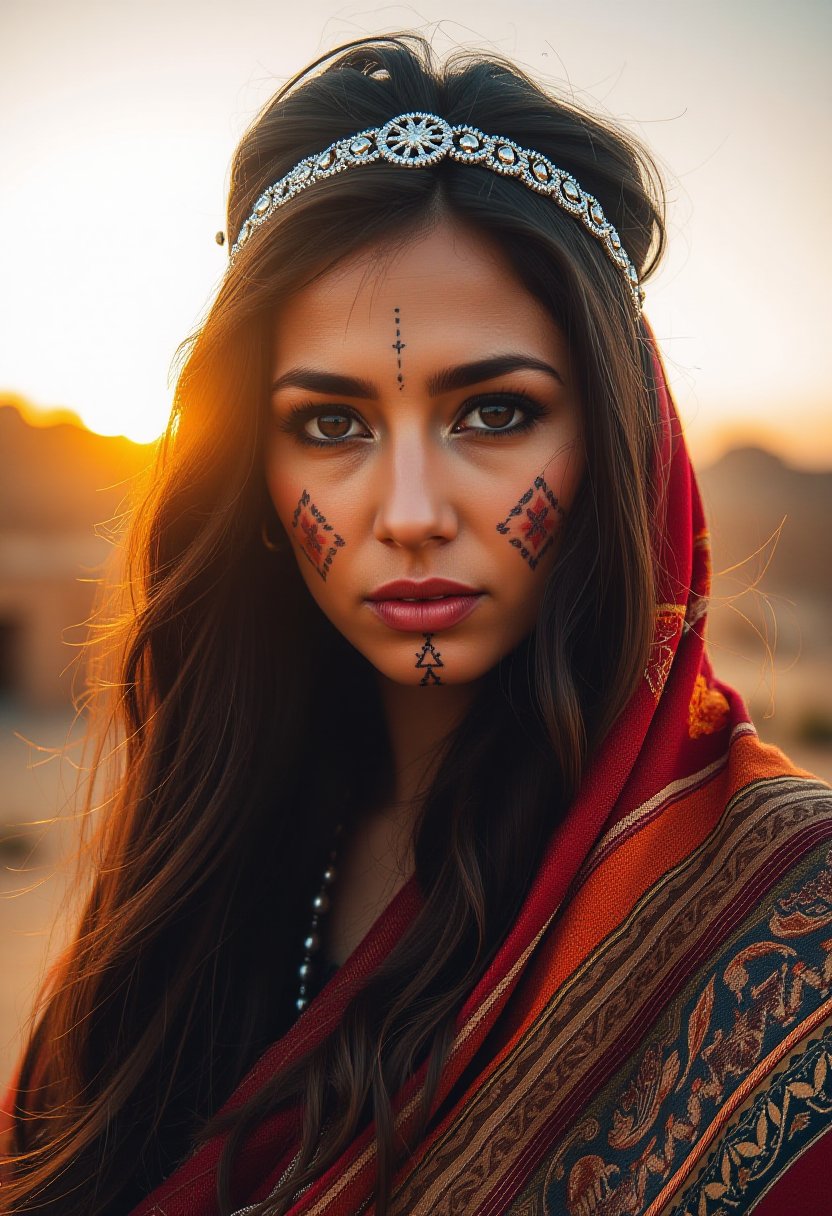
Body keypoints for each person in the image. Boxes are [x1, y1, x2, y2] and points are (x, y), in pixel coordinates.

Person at [2, 32, 831, 1216]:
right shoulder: (197, 869)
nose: (407, 514)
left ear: (617, 440)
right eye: (330, 426)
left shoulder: (795, 919)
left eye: (494, 412)